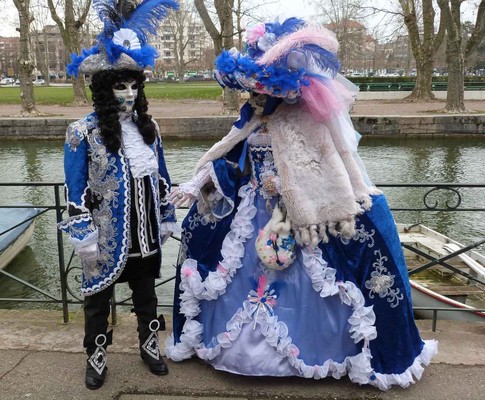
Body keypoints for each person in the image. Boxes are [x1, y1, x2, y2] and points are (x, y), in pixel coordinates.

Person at [165, 18, 437, 390]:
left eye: (261, 93)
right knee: (225, 258)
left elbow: (329, 169)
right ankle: (240, 347)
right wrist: (196, 184)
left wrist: (288, 186)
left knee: (323, 271)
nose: (255, 100)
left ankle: (318, 349)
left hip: (301, 215)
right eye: (251, 93)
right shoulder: (251, 122)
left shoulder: (307, 124)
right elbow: (228, 160)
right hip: (254, 213)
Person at [58, 0, 178, 390]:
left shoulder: (150, 129)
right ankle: (95, 359)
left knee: (145, 295)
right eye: (119, 86)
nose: (128, 93)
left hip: (145, 233)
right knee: (97, 302)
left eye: (133, 85)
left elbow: (161, 175)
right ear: (104, 90)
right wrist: (83, 236)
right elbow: (74, 190)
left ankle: (149, 346)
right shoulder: (82, 133)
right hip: (106, 237)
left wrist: (167, 216)